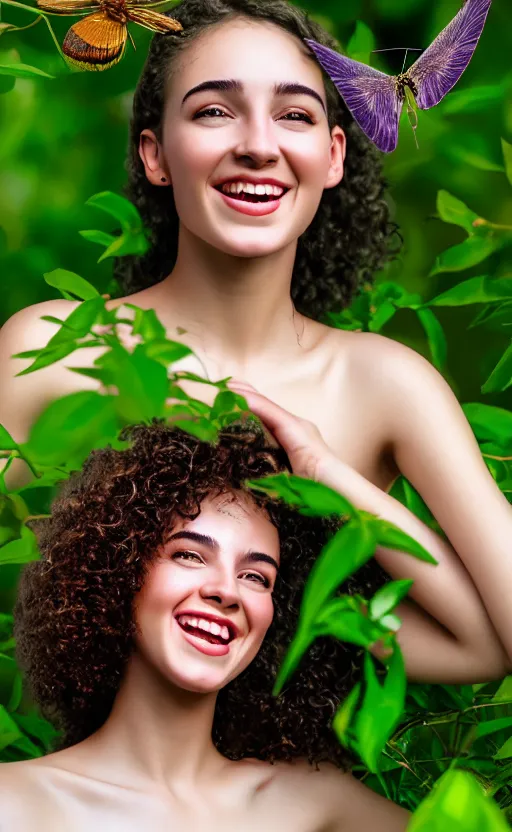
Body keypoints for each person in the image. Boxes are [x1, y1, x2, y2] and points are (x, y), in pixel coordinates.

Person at [0, 0, 511, 666]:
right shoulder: (56, 350)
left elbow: (489, 645)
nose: (259, 145)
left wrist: (333, 481)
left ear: (332, 158)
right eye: (214, 111)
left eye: (294, 114)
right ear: (154, 153)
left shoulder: (384, 385)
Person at [0, 416, 508, 830]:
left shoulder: (312, 806)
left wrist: (325, 473)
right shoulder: (14, 802)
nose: (227, 591)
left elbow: (489, 645)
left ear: (279, 618)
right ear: (119, 571)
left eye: (256, 576)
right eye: (190, 556)